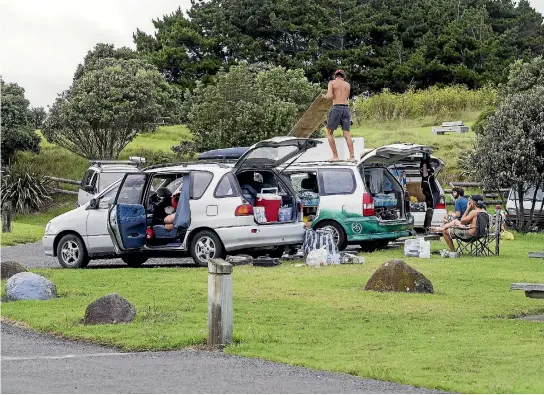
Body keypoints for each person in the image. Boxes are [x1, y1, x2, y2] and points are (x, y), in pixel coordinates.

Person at [323, 69, 355, 162]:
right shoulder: (347, 85)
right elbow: (346, 97)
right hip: (346, 108)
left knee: (329, 133)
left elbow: (329, 96)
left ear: (335, 75)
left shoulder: (332, 83)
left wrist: (324, 97)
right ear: (343, 76)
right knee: (346, 134)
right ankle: (352, 157)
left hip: (336, 107)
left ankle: (335, 156)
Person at [421, 153, 439, 232]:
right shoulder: (428, 168)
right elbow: (426, 174)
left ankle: (426, 226)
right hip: (430, 189)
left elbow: (425, 174)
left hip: (426, 187)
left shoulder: (424, 167)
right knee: (430, 207)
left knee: (429, 208)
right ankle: (427, 226)